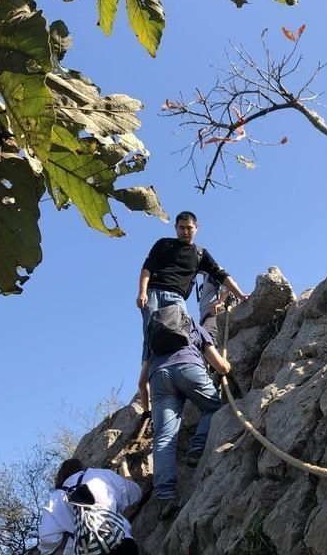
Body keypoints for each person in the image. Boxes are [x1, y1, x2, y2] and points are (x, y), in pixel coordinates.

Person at [138, 308, 231, 520]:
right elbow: (220, 366)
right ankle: (197, 448)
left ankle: (165, 498)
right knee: (214, 407)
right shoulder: (193, 326)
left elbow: (141, 383)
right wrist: (227, 367)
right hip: (189, 367)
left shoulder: (151, 338)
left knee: (163, 439)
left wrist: (146, 412)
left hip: (159, 378)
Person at [136, 211, 248, 359]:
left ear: (196, 228)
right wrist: (142, 292)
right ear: (176, 228)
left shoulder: (200, 254)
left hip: (177, 298)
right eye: (181, 228)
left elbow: (221, 275)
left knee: (180, 333)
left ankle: (179, 366)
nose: (185, 231)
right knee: (151, 333)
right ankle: (148, 376)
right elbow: (147, 268)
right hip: (154, 292)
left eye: (189, 228)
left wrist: (240, 295)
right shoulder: (163, 244)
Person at [38, 458, 141, 555]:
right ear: (82, 468)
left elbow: (47, 537)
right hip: (122, 542)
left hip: (91, 550)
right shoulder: (100, 475)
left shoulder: (55, 498)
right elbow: (135, 493)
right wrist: (124, 468)